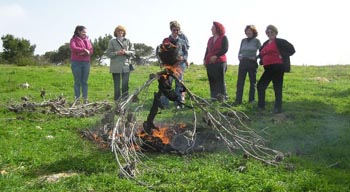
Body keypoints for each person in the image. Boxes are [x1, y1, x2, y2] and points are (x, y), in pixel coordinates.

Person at [257, 25, 295, 113]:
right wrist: (259, 58)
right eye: (268, 32)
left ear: (275, 32)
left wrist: (283, 55)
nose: (270, 34)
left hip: (277, 66)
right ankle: (261, 106)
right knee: (260, 86)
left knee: (277, 87)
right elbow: (262, 53)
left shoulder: (280, 42)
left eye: (272, 32)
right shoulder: (266, 43)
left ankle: (277, 108)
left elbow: (292, 50)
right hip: (268, 67)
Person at [160, 21, 188, 108]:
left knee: (179, 84)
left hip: (179, 65)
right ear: (171, 30)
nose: (175, 31)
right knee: (167, 83)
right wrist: (162, 62)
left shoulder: (183, 41)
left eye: (177, 30)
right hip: (169, 65)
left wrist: (183, 58)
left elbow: (186, 53)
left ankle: (179, 103)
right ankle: (164, 103)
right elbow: (161, 52)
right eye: (174, 30)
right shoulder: (166, 40)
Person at [106, 25, 135, 102]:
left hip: (126, 65)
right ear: (116, 32)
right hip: (115, 66)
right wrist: (117, 53)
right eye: (118, 31)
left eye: (121, 31)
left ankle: (125, 100)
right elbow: (108, 53)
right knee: (117, 85)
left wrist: (125, 52)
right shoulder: (112, 41)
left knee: (125, 84)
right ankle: (117, 101)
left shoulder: (128, 40)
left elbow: (133, 52)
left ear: (124, 32)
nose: (120, 32)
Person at [235, 25, 261, 105]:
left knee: (252, 82)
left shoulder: (256, 41)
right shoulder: (243, 40)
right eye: (247, 31)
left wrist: (256, 57)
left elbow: (262, 51)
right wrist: (239, 56)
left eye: (250, 30)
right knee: (240, 82)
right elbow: (240, 51)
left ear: (253, 32)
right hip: (243, 62)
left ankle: (251, 100)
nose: (248, 32)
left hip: (252, 63)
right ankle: (238, 100)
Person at [203, 21, 229, 101]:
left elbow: (225, 49)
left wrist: (216, 56)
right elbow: (207, 50)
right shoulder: (210, 39)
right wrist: (204, 59)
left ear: (217, 29)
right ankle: (214, 98)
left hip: (220, 62)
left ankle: (222, 98)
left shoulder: (224, 37)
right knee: (212, 80)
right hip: (210, 63)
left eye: (213, 27)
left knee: (220, 80)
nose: (211, 29)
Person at [70, 25, 94, 104]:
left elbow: (91, 51)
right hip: (76, 63)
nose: (85, 33)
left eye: (85, 32)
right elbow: (73, 48)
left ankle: (85, 99)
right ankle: (77, 100)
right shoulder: (73, 40)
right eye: (83, 32)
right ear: (78, 31)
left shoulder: (87, 40)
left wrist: (83, 53)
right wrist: (83, 50)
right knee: (77, 82)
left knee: (85, 82)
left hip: (86, 63)